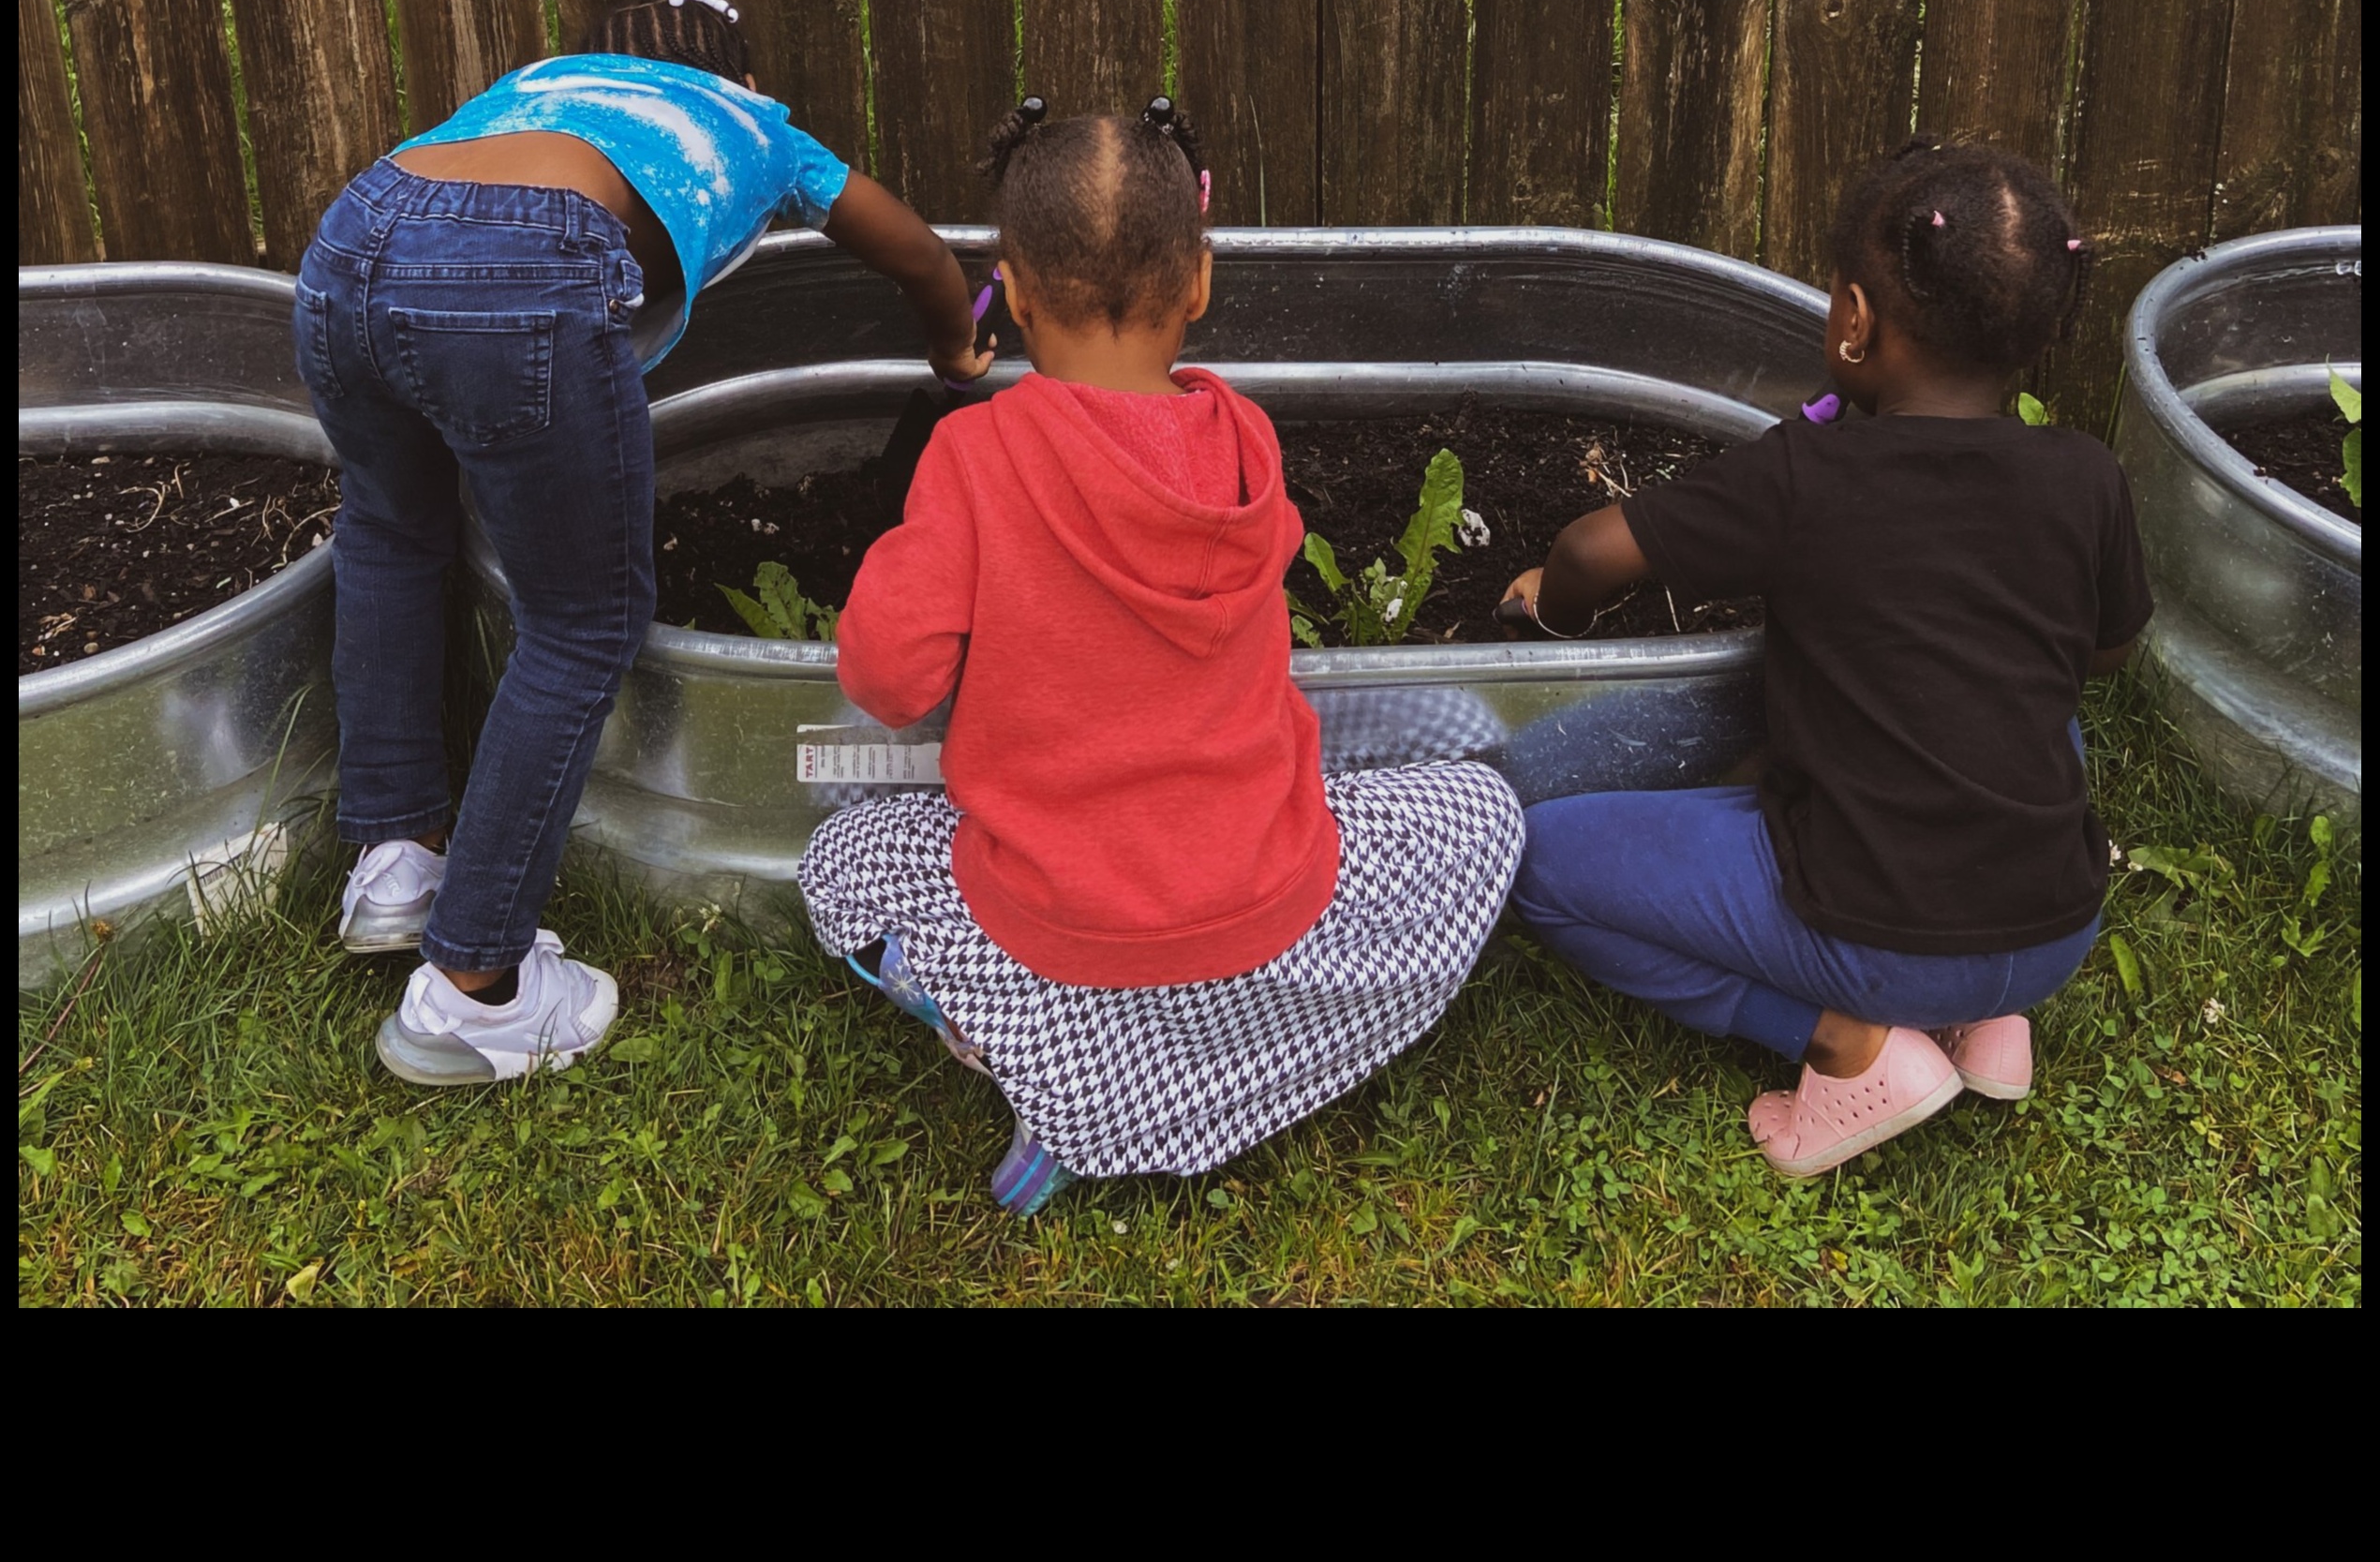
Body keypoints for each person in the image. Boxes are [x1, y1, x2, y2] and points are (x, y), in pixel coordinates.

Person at [798, 97, 1525, 1212]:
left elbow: (886, 682)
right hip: (1260, 890)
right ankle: (1213, 1055)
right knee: (1486, 818)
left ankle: (1055, 1075)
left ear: (1015, 290)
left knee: (844, 862)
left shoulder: (974, 457)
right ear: (1199, 283)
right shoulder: (1246, 440)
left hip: (1050, 918)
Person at [293, 0, 987, 1085]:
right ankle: (476, 990)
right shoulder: (760, 125)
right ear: (743, 80)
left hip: (354, 232)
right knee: (578, 625)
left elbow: (452, 215)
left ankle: (397, 861)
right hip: (524, 270)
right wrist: (956, 352)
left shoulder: (535, 94)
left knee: (388, 529)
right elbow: (913, 253)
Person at [1504, 137, 2147, 1179]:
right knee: (2034, 710)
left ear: (1853, 322)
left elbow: (1590, 550)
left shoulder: (1807, 474)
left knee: (1539, 865)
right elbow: (2104, 651)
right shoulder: (2084, 477)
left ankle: (1849, 1043)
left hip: (1875, 928)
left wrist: (1548, 599)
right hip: (2053, 929)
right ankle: (1989, 1020)